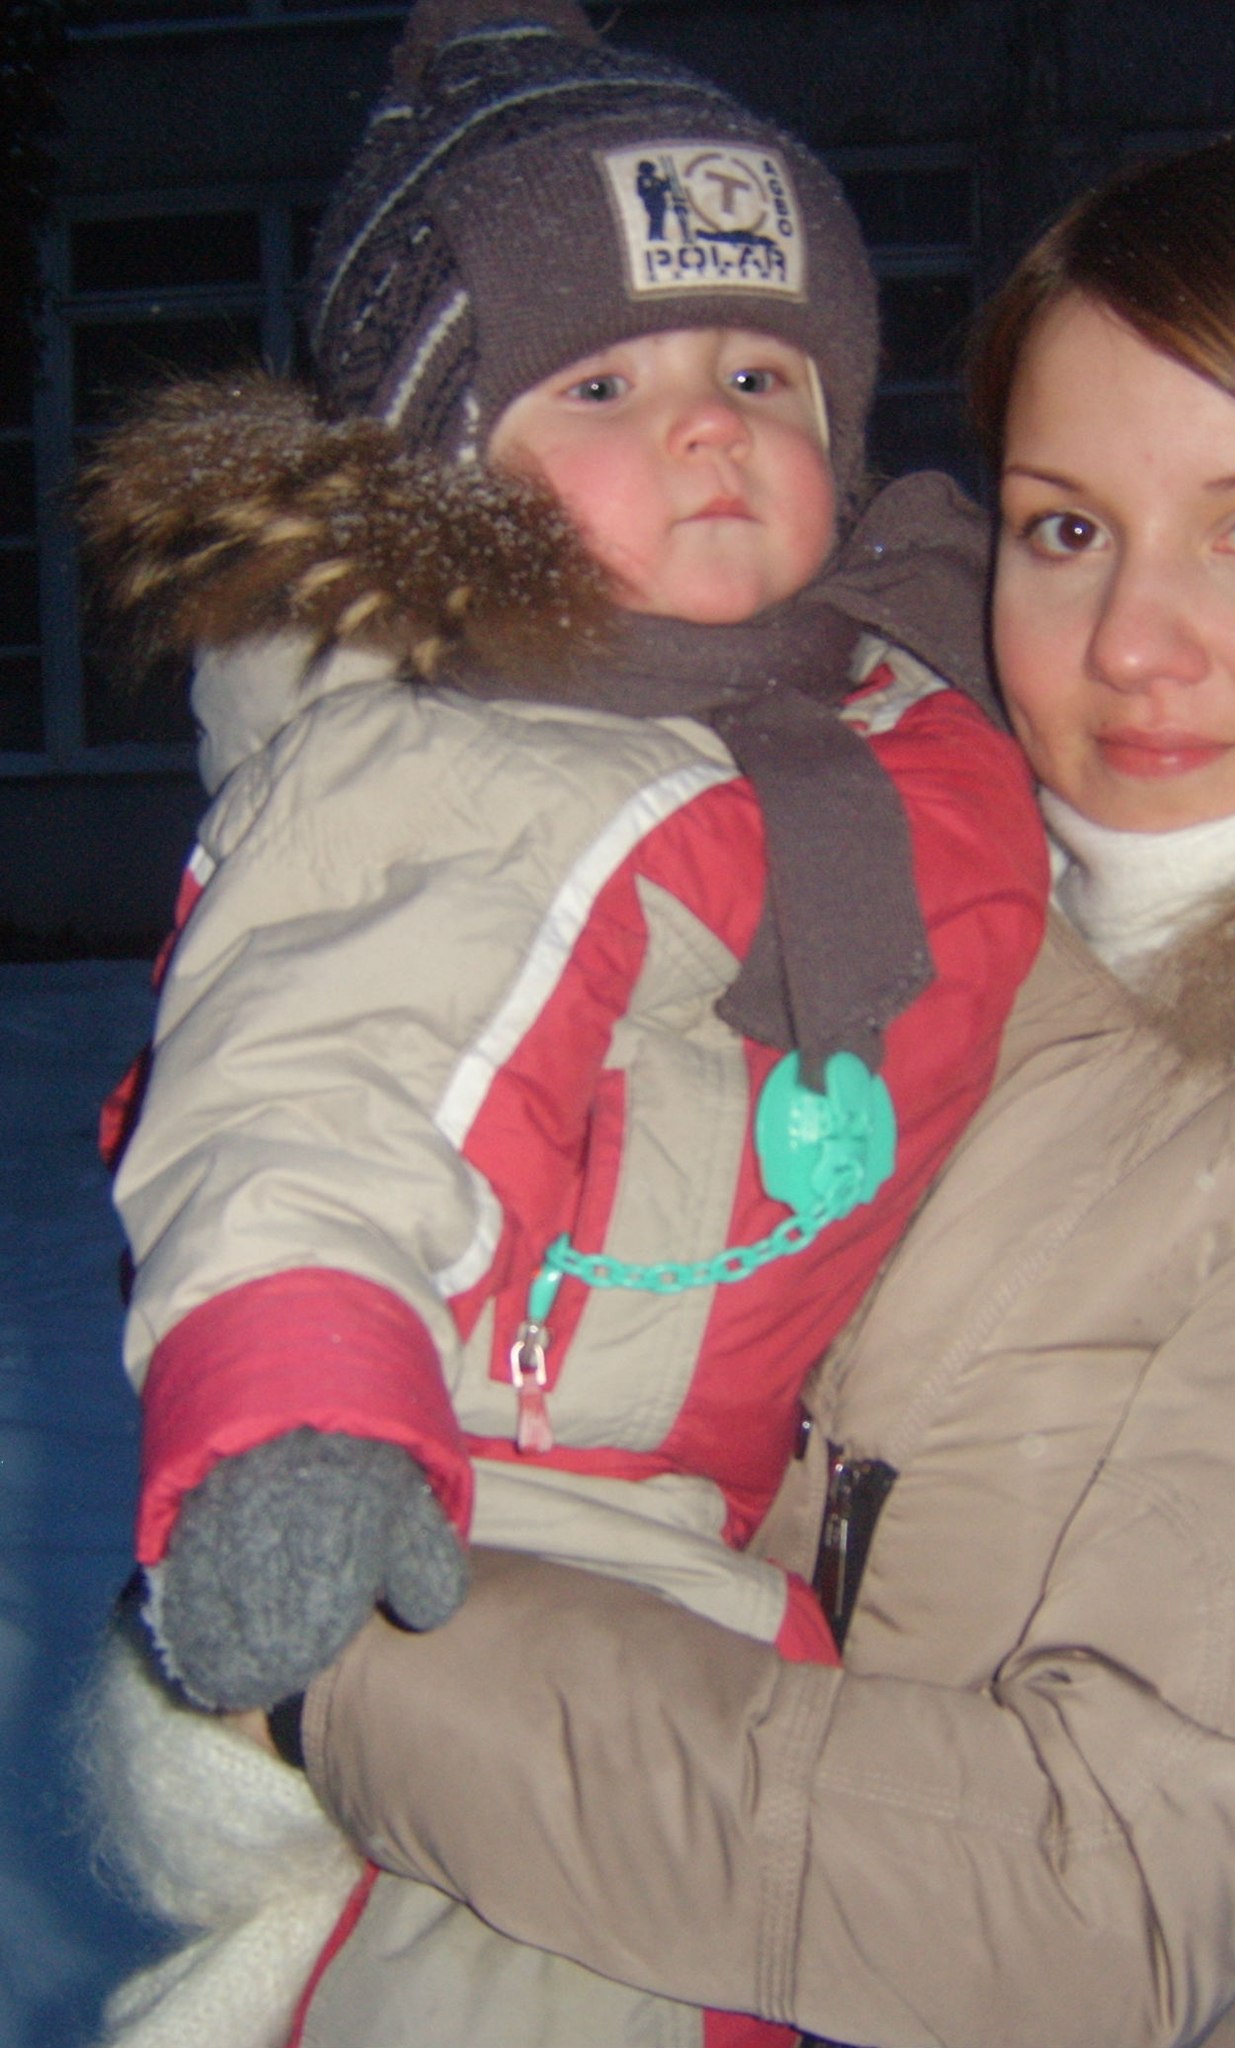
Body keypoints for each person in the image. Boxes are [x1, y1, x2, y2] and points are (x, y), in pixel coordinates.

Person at [267, 132, 1235, 2048]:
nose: (1127, 644)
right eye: (1063, 529)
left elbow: (1089, 1909)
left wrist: (347, 1656)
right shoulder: (926, 903)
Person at [80, 2, 1045, 2042]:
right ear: (451, 475)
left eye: (759, 374)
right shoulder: (452, 752)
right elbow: (308, 1095)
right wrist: (305, 1422)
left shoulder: (889, 699)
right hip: (466, 1510)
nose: (707, 429)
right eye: (602, 382)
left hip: (685, 1524)